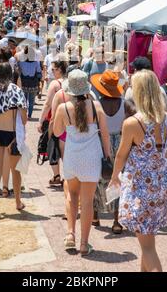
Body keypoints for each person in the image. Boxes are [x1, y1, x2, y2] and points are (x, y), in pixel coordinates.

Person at [109, 69, 167, 272]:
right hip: (160, 188)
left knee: (147, 248)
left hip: (140, 190)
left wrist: (114, 178)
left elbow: (120, 156)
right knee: (148, 243)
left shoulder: (132, 123)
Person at [53, 69, 110, 256]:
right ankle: (84, 244)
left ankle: (70, 234)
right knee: (87, 202)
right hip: (91, 158)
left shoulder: (63, 108)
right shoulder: (96, 106)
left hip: (72, 157)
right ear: (86, 88)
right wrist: (108, 156)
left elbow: (56, 132)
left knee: (71, 196)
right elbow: (105, 135)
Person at [0, 63, 27, 220]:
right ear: (11, 74)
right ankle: (18, 202)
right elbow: (24, 118)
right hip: (12, 135)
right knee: (16, 171)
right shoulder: (16, 90)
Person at [90, 70, 125, 233]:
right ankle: (116, 221)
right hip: (119, 142)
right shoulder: (124, 103)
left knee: (97, 179)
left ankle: (95, 215)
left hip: (99, 141)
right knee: (116, 178)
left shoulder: (97, 104)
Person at [38, 55, 68, 186]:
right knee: (66, 149)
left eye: (53, 69)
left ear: (60, 69)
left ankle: (57, 176)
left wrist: (40, 121)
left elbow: (47, 104)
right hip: (68, 119)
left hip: (55, 120)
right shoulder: (68, 82)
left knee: (53, 146)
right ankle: (68, 175)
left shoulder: (55, 84)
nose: (51, 71)